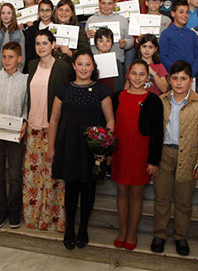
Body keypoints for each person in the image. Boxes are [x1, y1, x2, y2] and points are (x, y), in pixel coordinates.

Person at [48, 49, 115, 249]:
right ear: (74, 66)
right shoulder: (63, 90)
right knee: (70, 190)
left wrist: (104, 149)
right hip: (68, 146)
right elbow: (54, 120)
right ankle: (69, 229)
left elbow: (110, 120)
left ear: (93, 67)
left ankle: (83, 228)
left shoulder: (102, 91)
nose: (84, 68)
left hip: (91, 150)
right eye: (80, 64)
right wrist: (51, 147)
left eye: (88, 64)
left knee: (88, 189)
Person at [151, 59, 198, 256]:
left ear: (191, 80)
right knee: (161, 198)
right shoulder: (161, 101)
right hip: (164, 154)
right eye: (175, 78)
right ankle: (160, 234)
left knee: (184, 200)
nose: (179, 82)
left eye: (183, 78)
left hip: (187, 155)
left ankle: (181, 236)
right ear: (169, 79)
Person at [23, 29, 72, 231]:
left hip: (52, 129)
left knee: (53, 178)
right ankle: (33, 217)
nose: (41, 47)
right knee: (33, 178)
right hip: (33, 128)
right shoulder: (32, 65)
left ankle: (53, 219)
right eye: (37, 43)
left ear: (53, 45)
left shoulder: (62, 67)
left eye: (45, 43)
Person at [111, 59, 163, 249]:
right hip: (121, 151)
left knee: (136, 193)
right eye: (134, 73)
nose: (137, 78)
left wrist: (154, 160)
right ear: (128, 74)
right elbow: (111, 126)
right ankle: (122, 230)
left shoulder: (153, 101)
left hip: (141, 152)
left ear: (148, 78)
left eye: (142, 74)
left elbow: (158, 133)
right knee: (122, 191)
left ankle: (132, 233)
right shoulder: (117, 97)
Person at [0, 41, 28, 228]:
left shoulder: (25, 80)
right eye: (4, 56)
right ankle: (1, 209)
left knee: (16, 175)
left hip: (15, 133)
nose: (7, 60)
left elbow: (26, 105)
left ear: (19, 59)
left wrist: (24, 121)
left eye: (11, 57)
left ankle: (14, 210)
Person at [157, 0, 198, 76]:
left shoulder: (192, 34)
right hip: (173, 74)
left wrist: (191, 72)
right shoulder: (166, 34)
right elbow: (163, 56)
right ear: (173, 13)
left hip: (189, 75)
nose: (185, 15)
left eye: (187, 12)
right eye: (181, 12)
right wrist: (175, 72)